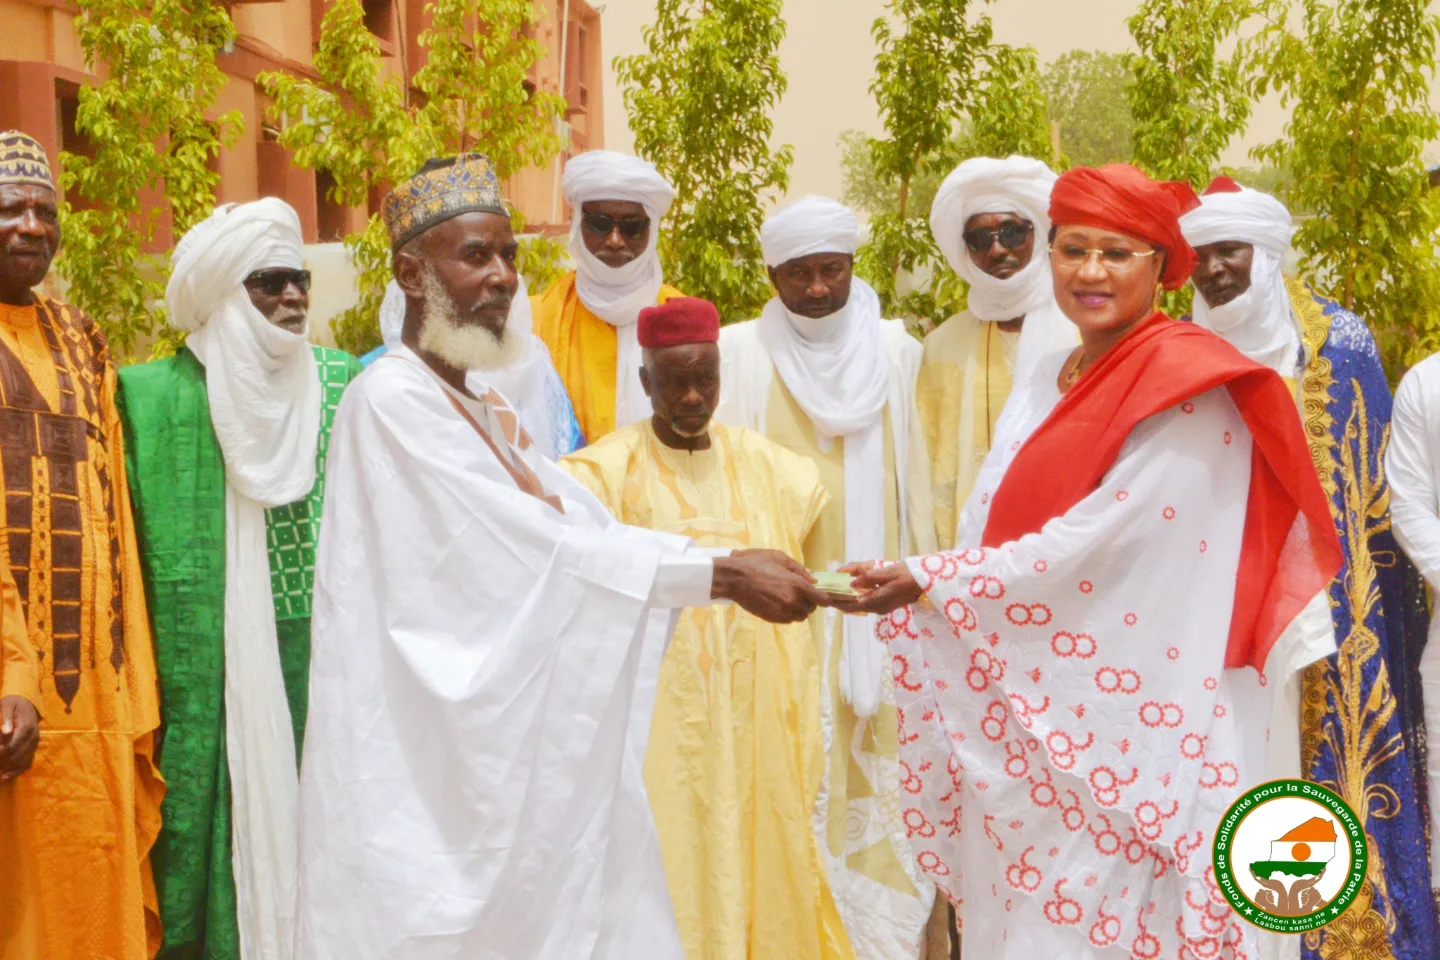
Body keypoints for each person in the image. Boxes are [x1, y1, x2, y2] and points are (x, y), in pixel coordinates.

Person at [294, 153, 832, 960]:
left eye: (509, 255)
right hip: (424, 767)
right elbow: (532, 552)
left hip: (495, 762)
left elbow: (586, 527)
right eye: (476, 256)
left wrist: (725, 569)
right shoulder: (393, 401)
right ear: (411, 274)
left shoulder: (482, 402)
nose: (503, 277)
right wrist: (720, 574)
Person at [835, 164, 1343, 959]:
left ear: (1161, 265)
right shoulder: (1049, 374)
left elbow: (1100, 549)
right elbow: (985, 521)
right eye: (1073, 250)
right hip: (1035, 705)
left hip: (1138, 720)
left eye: (1116, 252)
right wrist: (935, 575)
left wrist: (934, 581)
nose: (1091, 272)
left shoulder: (1192, 385)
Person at [1184, 179, 1440, 955]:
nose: (1214, 270)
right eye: (1200, 255)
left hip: (1325, 615)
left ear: (1266, 253)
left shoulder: (1339, 343)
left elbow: (1373, 503)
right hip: (1208, 609)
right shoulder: (1175, 349)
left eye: (1230, 251)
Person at [560, 296, 850, 960]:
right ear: (645, 382)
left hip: (760, 724)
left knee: (767, 855)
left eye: (706, 380)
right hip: (661, 733)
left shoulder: (776, 471)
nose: (692, 397)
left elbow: (817, 572)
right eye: (674, 382)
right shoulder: (599, 479)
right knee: (668, 863)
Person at [116, 198, 362, 959]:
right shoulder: (149, 399)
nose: (292, 296)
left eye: (299, 281)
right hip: (195, 673)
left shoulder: (342, 383)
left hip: (326, 664)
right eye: (268, 283)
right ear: (224, 293)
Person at [715, 195, 936, 960]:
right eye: (798, 274)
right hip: (776, 620)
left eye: (831, 270)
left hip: (883, 622)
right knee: (786, 794)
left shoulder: (899, 352)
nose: (816, 289)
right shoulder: (740, 353)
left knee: (885, 806)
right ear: (771, 275)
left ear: (852, 266)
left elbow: (921, 489)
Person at [0, 130, 163, 959]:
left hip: (92, 689)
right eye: (11, 210)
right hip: (12, 685)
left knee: (92, 887)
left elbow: (112, 514)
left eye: (45, 211)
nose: (32, 226)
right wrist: (10, 672)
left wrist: (132, 675)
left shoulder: (82, 337)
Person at [918, 156, 1076, 548]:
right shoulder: (944, 344)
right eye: (979, 239)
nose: (997, 250)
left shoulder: (1084, 330)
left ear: (1038, 233)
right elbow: (930, 460)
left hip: (1067, 538)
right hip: (969, 549)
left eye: (1012, 232)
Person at [533, 150, 684, 444]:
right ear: (578, 224)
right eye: (600, 224)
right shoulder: (540, 318)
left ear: (652, 229)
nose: (615, 240)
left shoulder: (679, 314)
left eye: (632, 227)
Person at [365, 276, 583, 458]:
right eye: (474, 256)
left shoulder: (536, 366)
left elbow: (566, 469)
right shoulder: (380, 381)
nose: (499, 275)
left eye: (507, 256)